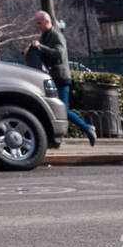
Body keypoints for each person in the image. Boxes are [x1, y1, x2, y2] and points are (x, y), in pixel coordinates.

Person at [28, 10, 95, 146]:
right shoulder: (44, 37)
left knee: (62, 110)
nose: (38, 26)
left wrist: (40, 47)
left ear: (47, 21)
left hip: (61, 77)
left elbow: (58, 54)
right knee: (54, 108)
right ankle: (56, 139)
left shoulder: (56, 36)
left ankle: (87, 128)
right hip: (52, 77)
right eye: (37, 23)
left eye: (39, 23)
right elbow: (44, 54)